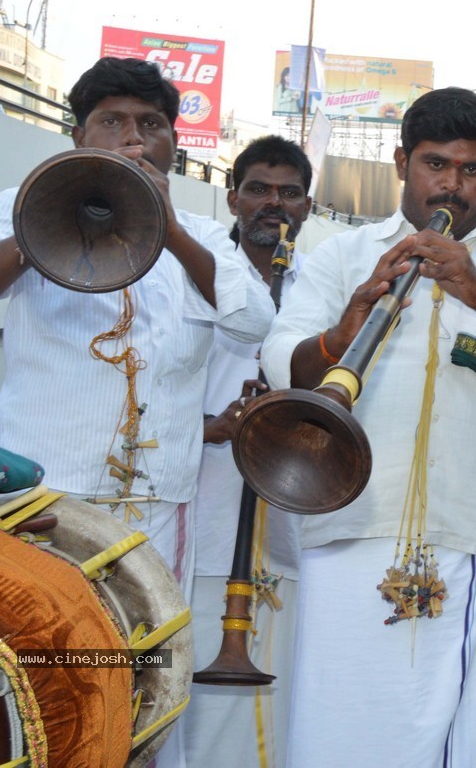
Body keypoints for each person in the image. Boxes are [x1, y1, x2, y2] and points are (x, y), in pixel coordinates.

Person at [260, 87, 476, 765]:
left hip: (463, 529)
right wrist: (341, 334)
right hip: (347, 513)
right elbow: (279, 363)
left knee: (449, 727)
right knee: (336, 714)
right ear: (401, 163)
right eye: (436, 165)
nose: (453, 185)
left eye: (471, 170)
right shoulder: (341, 254)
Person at [0, 56, 274, 768]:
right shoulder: (21, 202)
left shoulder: (198, 232)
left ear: (174, 145)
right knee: (45, 680)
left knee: (150, 687)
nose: (133, 139)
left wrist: (165, 228)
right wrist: (49, 223)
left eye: (151, 125)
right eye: (112, 122)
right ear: (79, 137)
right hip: (48, 506)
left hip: (159, 509)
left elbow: (253, 321)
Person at [183, 135, 312, 768]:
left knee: (284, 680)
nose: (273, 203)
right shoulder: (193, 269)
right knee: (197, 684)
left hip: (288, 507)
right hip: (205, 505)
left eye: (289, 193)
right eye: (258, 189)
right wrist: (212, 425)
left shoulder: (325, 289)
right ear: (232, 197)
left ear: (308, 207)